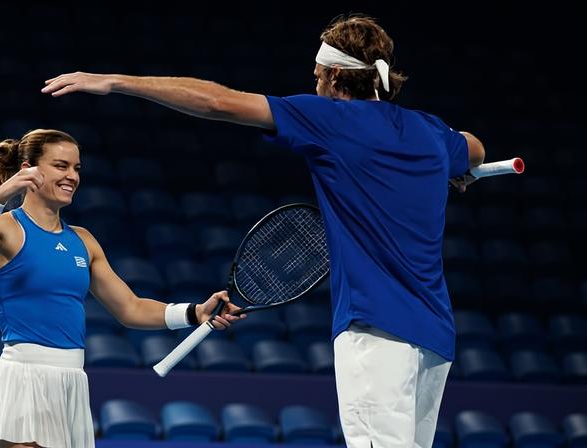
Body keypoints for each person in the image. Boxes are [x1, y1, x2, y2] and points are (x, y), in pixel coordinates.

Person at [41, 14, 486, 448]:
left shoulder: (328, 118)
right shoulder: (430, 132)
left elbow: (216, 101)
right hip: (434, 336)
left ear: (334, 76)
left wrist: (115, 81)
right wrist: (451, 170)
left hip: (377, 331)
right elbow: (474, 148)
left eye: (316, 76)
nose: (313, 84)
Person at [0, 128, 242, 448]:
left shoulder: (83, 240)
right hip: (23, 379)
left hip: (72, 381)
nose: (71, 176)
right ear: (28, 170)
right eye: (61, 166)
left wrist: (195, 312)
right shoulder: (5, 227)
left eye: (76, 168)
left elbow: (131, 308)